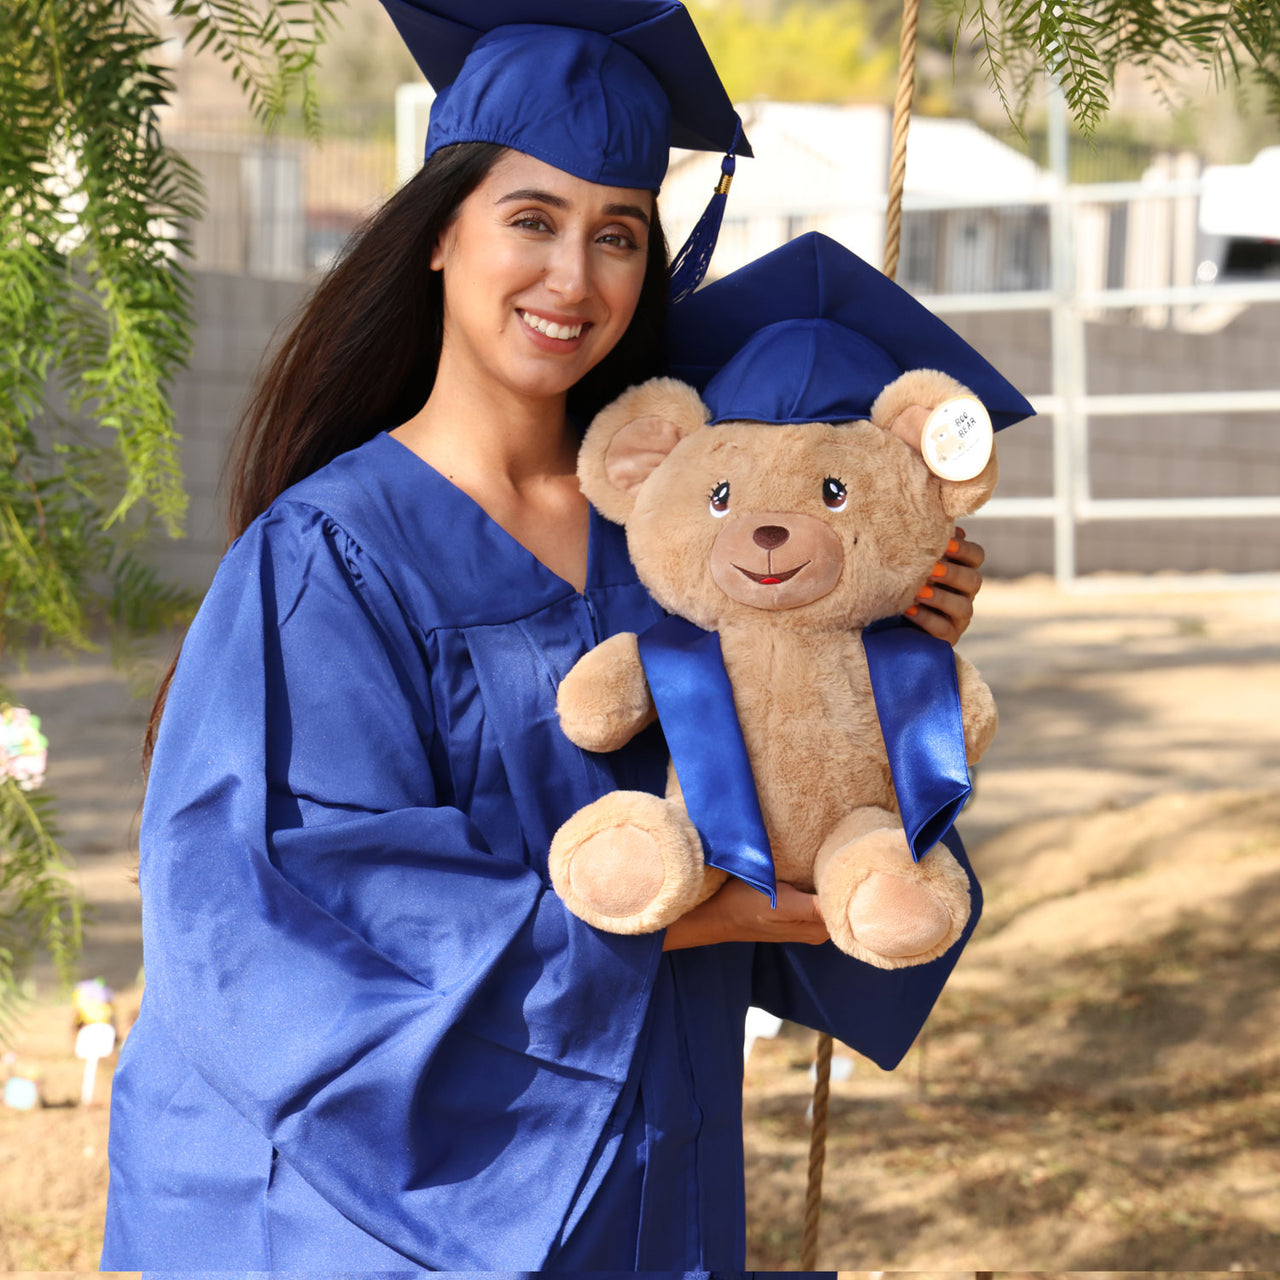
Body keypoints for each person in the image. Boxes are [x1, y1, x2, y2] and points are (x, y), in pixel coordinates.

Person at [101, 0, 1000, 1269]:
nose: (573, 279)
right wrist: (700, 914)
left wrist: (891, 655)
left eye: (618, 235)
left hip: (647, 1164)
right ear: (437, 236)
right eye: (531, 220)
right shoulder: (330, 555)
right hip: (391, 1214)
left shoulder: (674, 546)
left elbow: (802, 781)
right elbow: (292, 906)